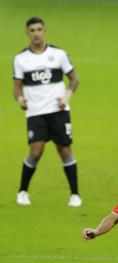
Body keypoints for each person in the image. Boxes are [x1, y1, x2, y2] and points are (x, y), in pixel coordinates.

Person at [13, 17, 81, 206]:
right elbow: (17, 87)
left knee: (64, 149)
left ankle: (75, 195)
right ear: (27, 33)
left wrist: (66, 97)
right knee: (36, 151)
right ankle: (23, 192)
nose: (36, 33)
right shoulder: (20, 59)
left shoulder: (58, 54)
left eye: (39, 29)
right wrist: (20, 99)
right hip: (35, 112)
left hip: (58, 110)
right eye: (32, 30)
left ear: (44, 31)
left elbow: (74, 79)